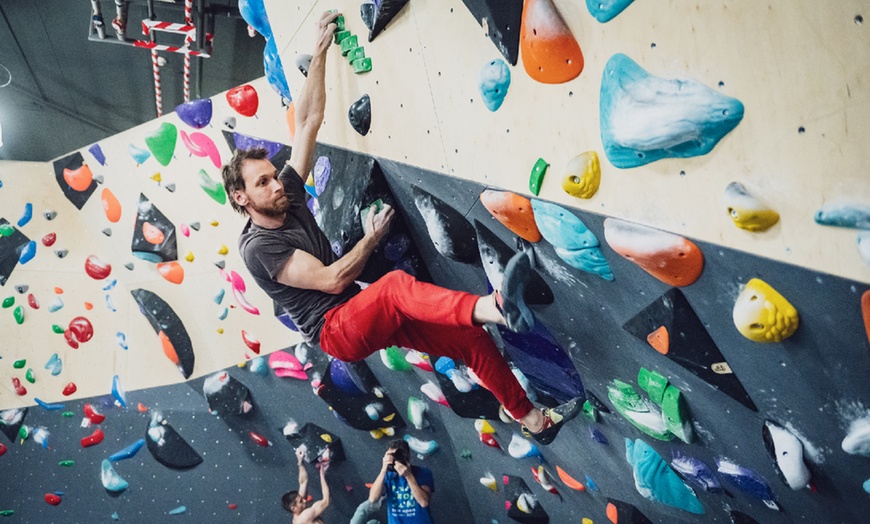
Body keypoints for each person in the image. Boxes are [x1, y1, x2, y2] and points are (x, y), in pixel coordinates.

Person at [221, 11, 581, 445]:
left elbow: (308, 120)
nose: (277, 183)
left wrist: (319, 50)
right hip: (337, 329)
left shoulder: (286, 194)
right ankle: (495, 307)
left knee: (471, 342)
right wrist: (372, 238)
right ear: (242, 199)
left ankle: (531, 420)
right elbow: (333, 281)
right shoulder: (258, 247)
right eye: (263, 183)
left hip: (357, 313)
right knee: (394, 286)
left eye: (273, 175)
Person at [367, 440, 433, 524]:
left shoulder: (423, 472)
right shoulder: (387, 475)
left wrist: (409, 476)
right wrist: (383, 470)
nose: (395, 459)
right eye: (392, 456)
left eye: (398, 456)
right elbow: (372, 499)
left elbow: (424, 502)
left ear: (407, 456)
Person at [282, 446, 331, 523]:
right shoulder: (304, 516)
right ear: (293, 508)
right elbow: (326, 501)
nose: (305, 500)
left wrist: (300, 462)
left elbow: (303, 482)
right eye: (301, 501)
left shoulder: (298, 510)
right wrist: (322, 475)